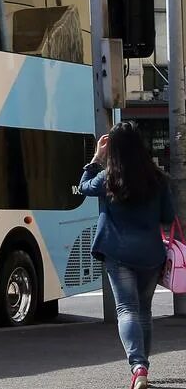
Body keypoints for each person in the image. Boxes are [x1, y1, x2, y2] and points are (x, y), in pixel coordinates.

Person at [80, 121, 176, 389]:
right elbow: (168, 217)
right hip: (150, 255)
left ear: (115, 148)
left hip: (118, 252)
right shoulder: (157, 178)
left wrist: (96, 158)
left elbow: (84, 186)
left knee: (126, 309)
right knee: (144, 311)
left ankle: (138, 367)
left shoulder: (108, 177)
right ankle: (143, 367)